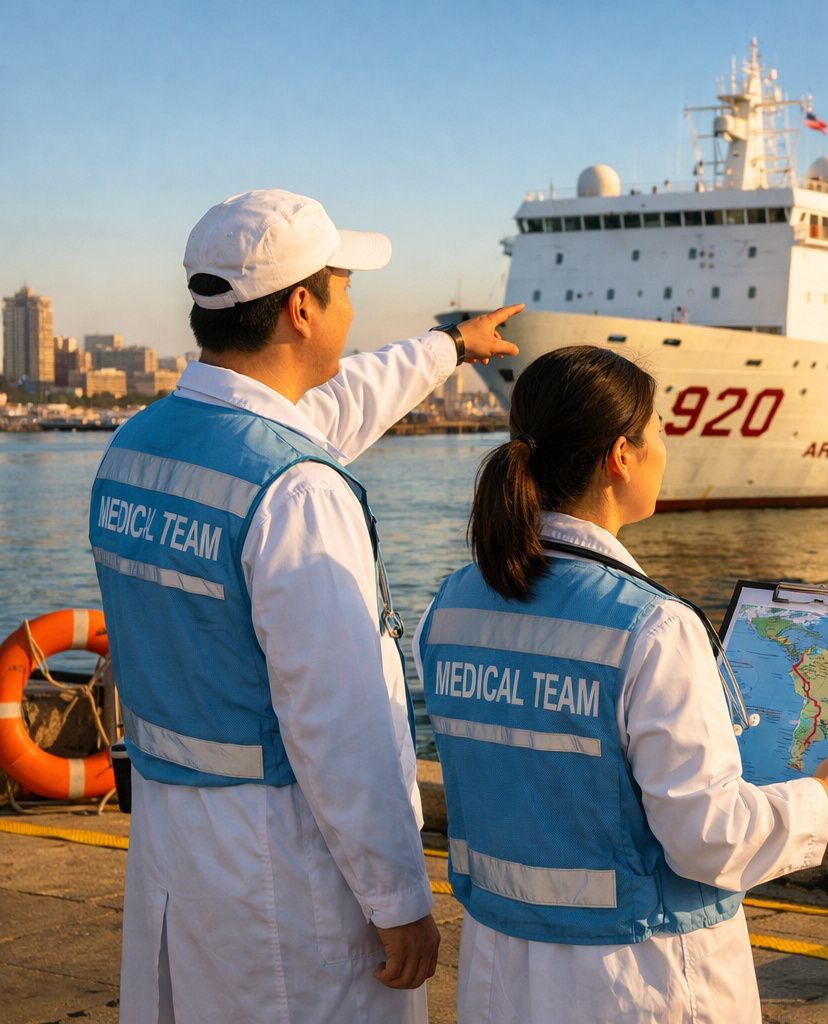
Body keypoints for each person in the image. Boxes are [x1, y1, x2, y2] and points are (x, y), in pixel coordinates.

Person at [87, 189, 520, 1023]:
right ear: (301, 308)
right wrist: (397, 899)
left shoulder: (137, 446)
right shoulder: (295, 492)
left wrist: (447, 348)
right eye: (346, 287)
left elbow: (319, 412)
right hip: (281, 863)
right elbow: (341, 722)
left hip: (174, 840)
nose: (354, 307)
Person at [416, 346, 828, 1022]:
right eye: (657, 431)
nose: (665, 448)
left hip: (500, 969)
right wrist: (824, 795)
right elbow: (707, 838)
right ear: (621, 457)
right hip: (637, 977)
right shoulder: (652, 627)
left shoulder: (452, 605)